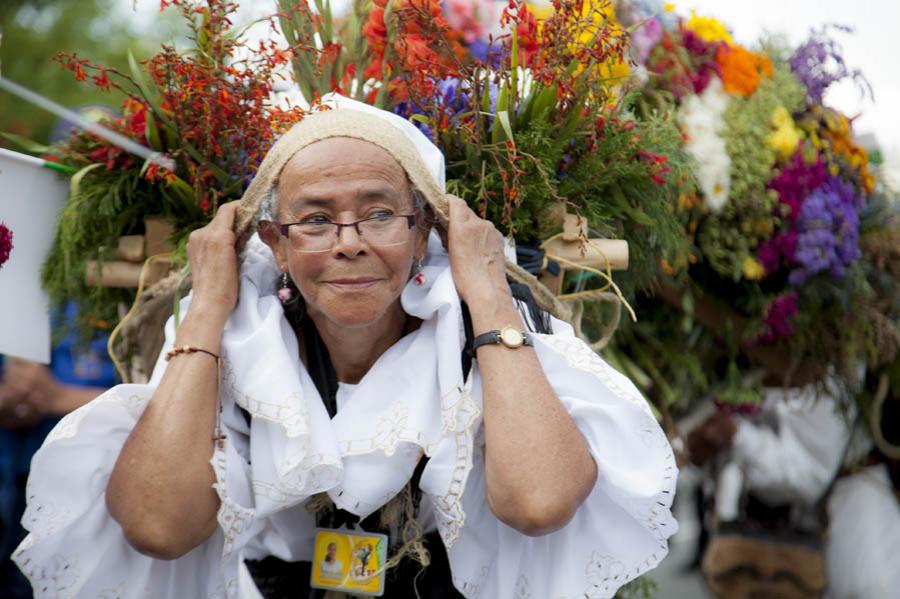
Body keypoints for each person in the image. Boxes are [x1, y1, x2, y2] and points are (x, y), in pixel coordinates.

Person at [14, 96, 677, 598]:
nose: (348, 240)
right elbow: (156, 525)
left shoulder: (485, 325)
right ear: (274, 243)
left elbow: (540, 502)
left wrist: (488, 287)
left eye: (381, 213)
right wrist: (208, 305)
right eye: (314, 219)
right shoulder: (237, 332)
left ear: (424, 232)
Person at [0, 301, 115, 598]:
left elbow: (154, 400)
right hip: (17, 478)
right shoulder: (23, 286)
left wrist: (57, 397)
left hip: (93, 492)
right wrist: (14, 397)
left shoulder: (126, 288)